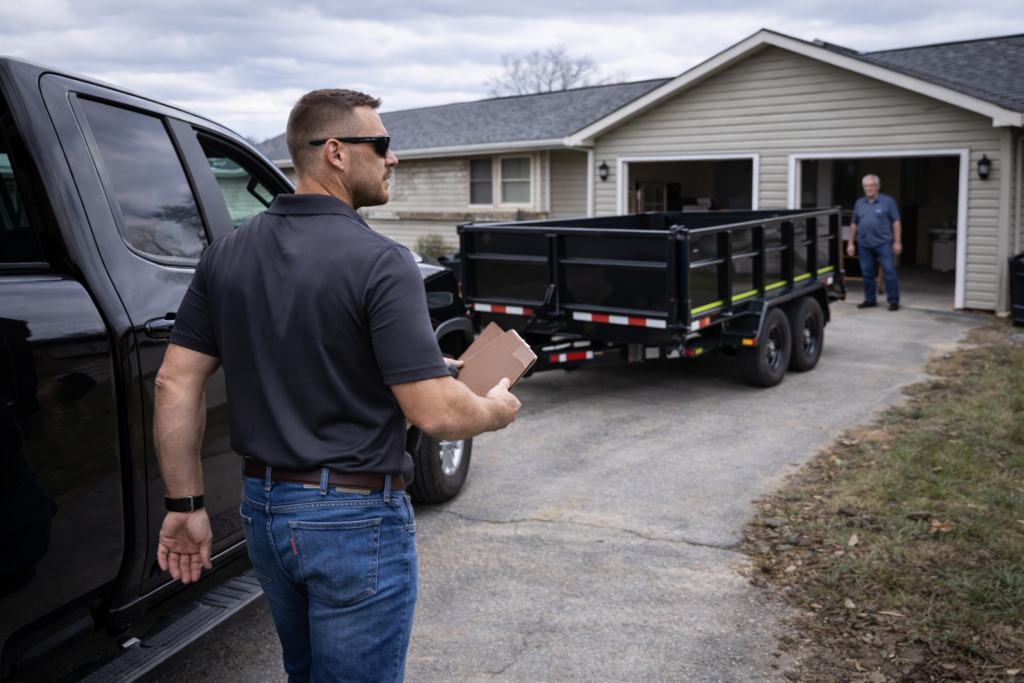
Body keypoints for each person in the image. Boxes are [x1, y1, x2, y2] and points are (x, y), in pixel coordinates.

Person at [151, 89, 521, 683]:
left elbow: (174, 383)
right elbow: (437, 416)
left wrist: (185, 507)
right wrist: (492, 409)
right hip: (351, 520)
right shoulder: (382, 261)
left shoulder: (226, 255)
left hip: (262, 511)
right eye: (381, 145)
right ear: (336, 153)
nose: (392, 159)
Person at [847, 174, 902, 311]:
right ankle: (870, 300)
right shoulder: (859, 203)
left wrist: (897, 241)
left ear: (877, 187)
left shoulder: (888, 201)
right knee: (867, 273)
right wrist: (850, 243)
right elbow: (854, 224)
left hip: (884, 244)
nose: (869, 188)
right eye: (866, 186)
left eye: (871, 185)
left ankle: (893, 301)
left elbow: (896, 221)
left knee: (889, 272)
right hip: (864, 244)